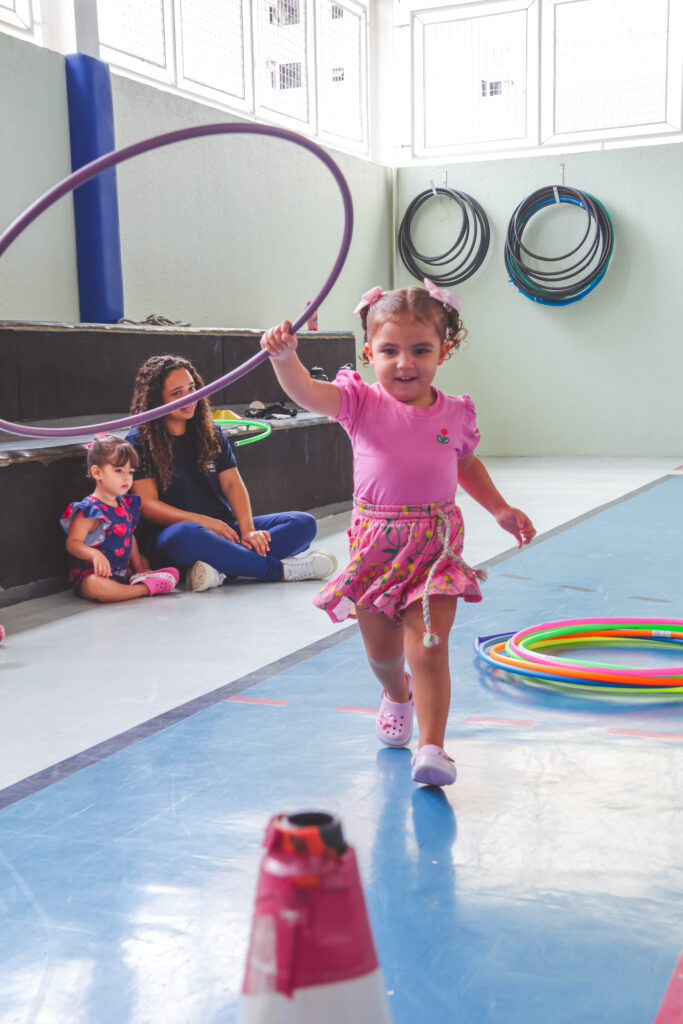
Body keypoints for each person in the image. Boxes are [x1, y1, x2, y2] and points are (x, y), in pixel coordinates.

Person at [260, 280, 536, 788]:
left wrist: (499, 508)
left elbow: (465, 463)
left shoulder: (455, 412)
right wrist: (284, 358)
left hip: (436, 547)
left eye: (420, 350)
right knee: (384, 655)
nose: (404, 363)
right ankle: (395, 693)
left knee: (428, 647)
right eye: (389, 351)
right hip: (376, 547)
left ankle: (432, 748)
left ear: (443, 352)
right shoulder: (359, 402)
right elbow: (307, 393)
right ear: (369, 353)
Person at [125, 355, 337, 590]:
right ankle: (278, 570)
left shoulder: (211, 432)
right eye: (177, 393)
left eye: (192, 388)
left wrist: (248, 530)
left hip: (225, 530)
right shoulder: (139, 441)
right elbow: (148, 505)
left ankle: (220, 569)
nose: (189, 397)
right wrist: (205, 522)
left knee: (303, 524)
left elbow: (232, 484)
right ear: (157, 400)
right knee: (186, 534)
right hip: (178, 535)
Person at [60, 434, 179, 601]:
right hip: (94, 575)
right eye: (118, 470)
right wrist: (94, 555)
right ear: (97, 472)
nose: (126, 477)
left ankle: (137, 581)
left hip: (121, 573)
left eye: (130, 472)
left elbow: (129, 537)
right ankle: (144, 589)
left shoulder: (125, 504)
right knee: (94, 585)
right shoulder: (90, 510)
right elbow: (73, 543)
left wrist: (139, 568)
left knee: (169, 570)